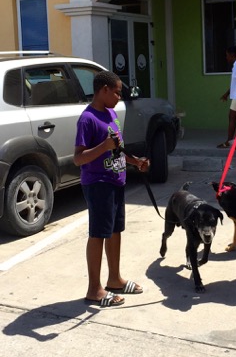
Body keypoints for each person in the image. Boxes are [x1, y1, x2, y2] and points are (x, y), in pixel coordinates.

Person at [74, 71, 150, 307]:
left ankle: (114, 279)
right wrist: (104, 145)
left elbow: (117, 149)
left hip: (116, 181)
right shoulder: (87, 119)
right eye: (117, 92)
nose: (119, 96)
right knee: (98, 234)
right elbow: (79, 159)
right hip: (98, 184)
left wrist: (135, 161)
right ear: (104, 90)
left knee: (115, 230)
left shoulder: (111, 114)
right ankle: (94, 289)